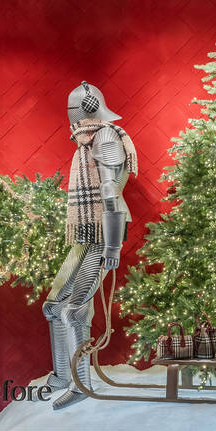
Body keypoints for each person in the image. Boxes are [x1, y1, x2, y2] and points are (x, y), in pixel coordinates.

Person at [42, 82, 137, 409]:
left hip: (103, 234)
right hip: (87, 232)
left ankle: (81, 384)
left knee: (74, 310)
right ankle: (62, 376)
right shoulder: (87, 140)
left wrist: (112, 248)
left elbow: (110, 195)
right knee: (54, 307)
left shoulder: (106, 137)